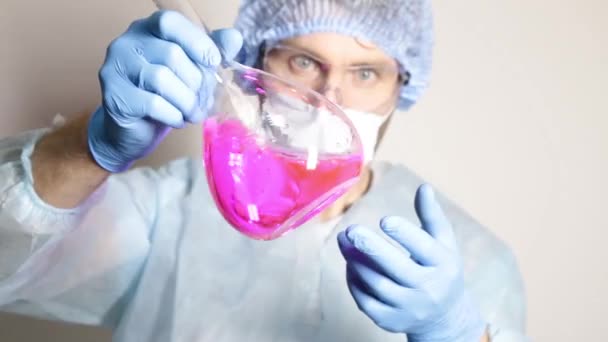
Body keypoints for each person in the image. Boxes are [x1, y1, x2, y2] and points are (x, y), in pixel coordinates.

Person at [0, 1, 528, 341]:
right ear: (258, 64)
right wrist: (89, 149)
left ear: (401, 87)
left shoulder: (469, 262)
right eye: (302, 62)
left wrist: (455, 334)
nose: (329, 99)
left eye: (365, 72)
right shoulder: (171, 210)